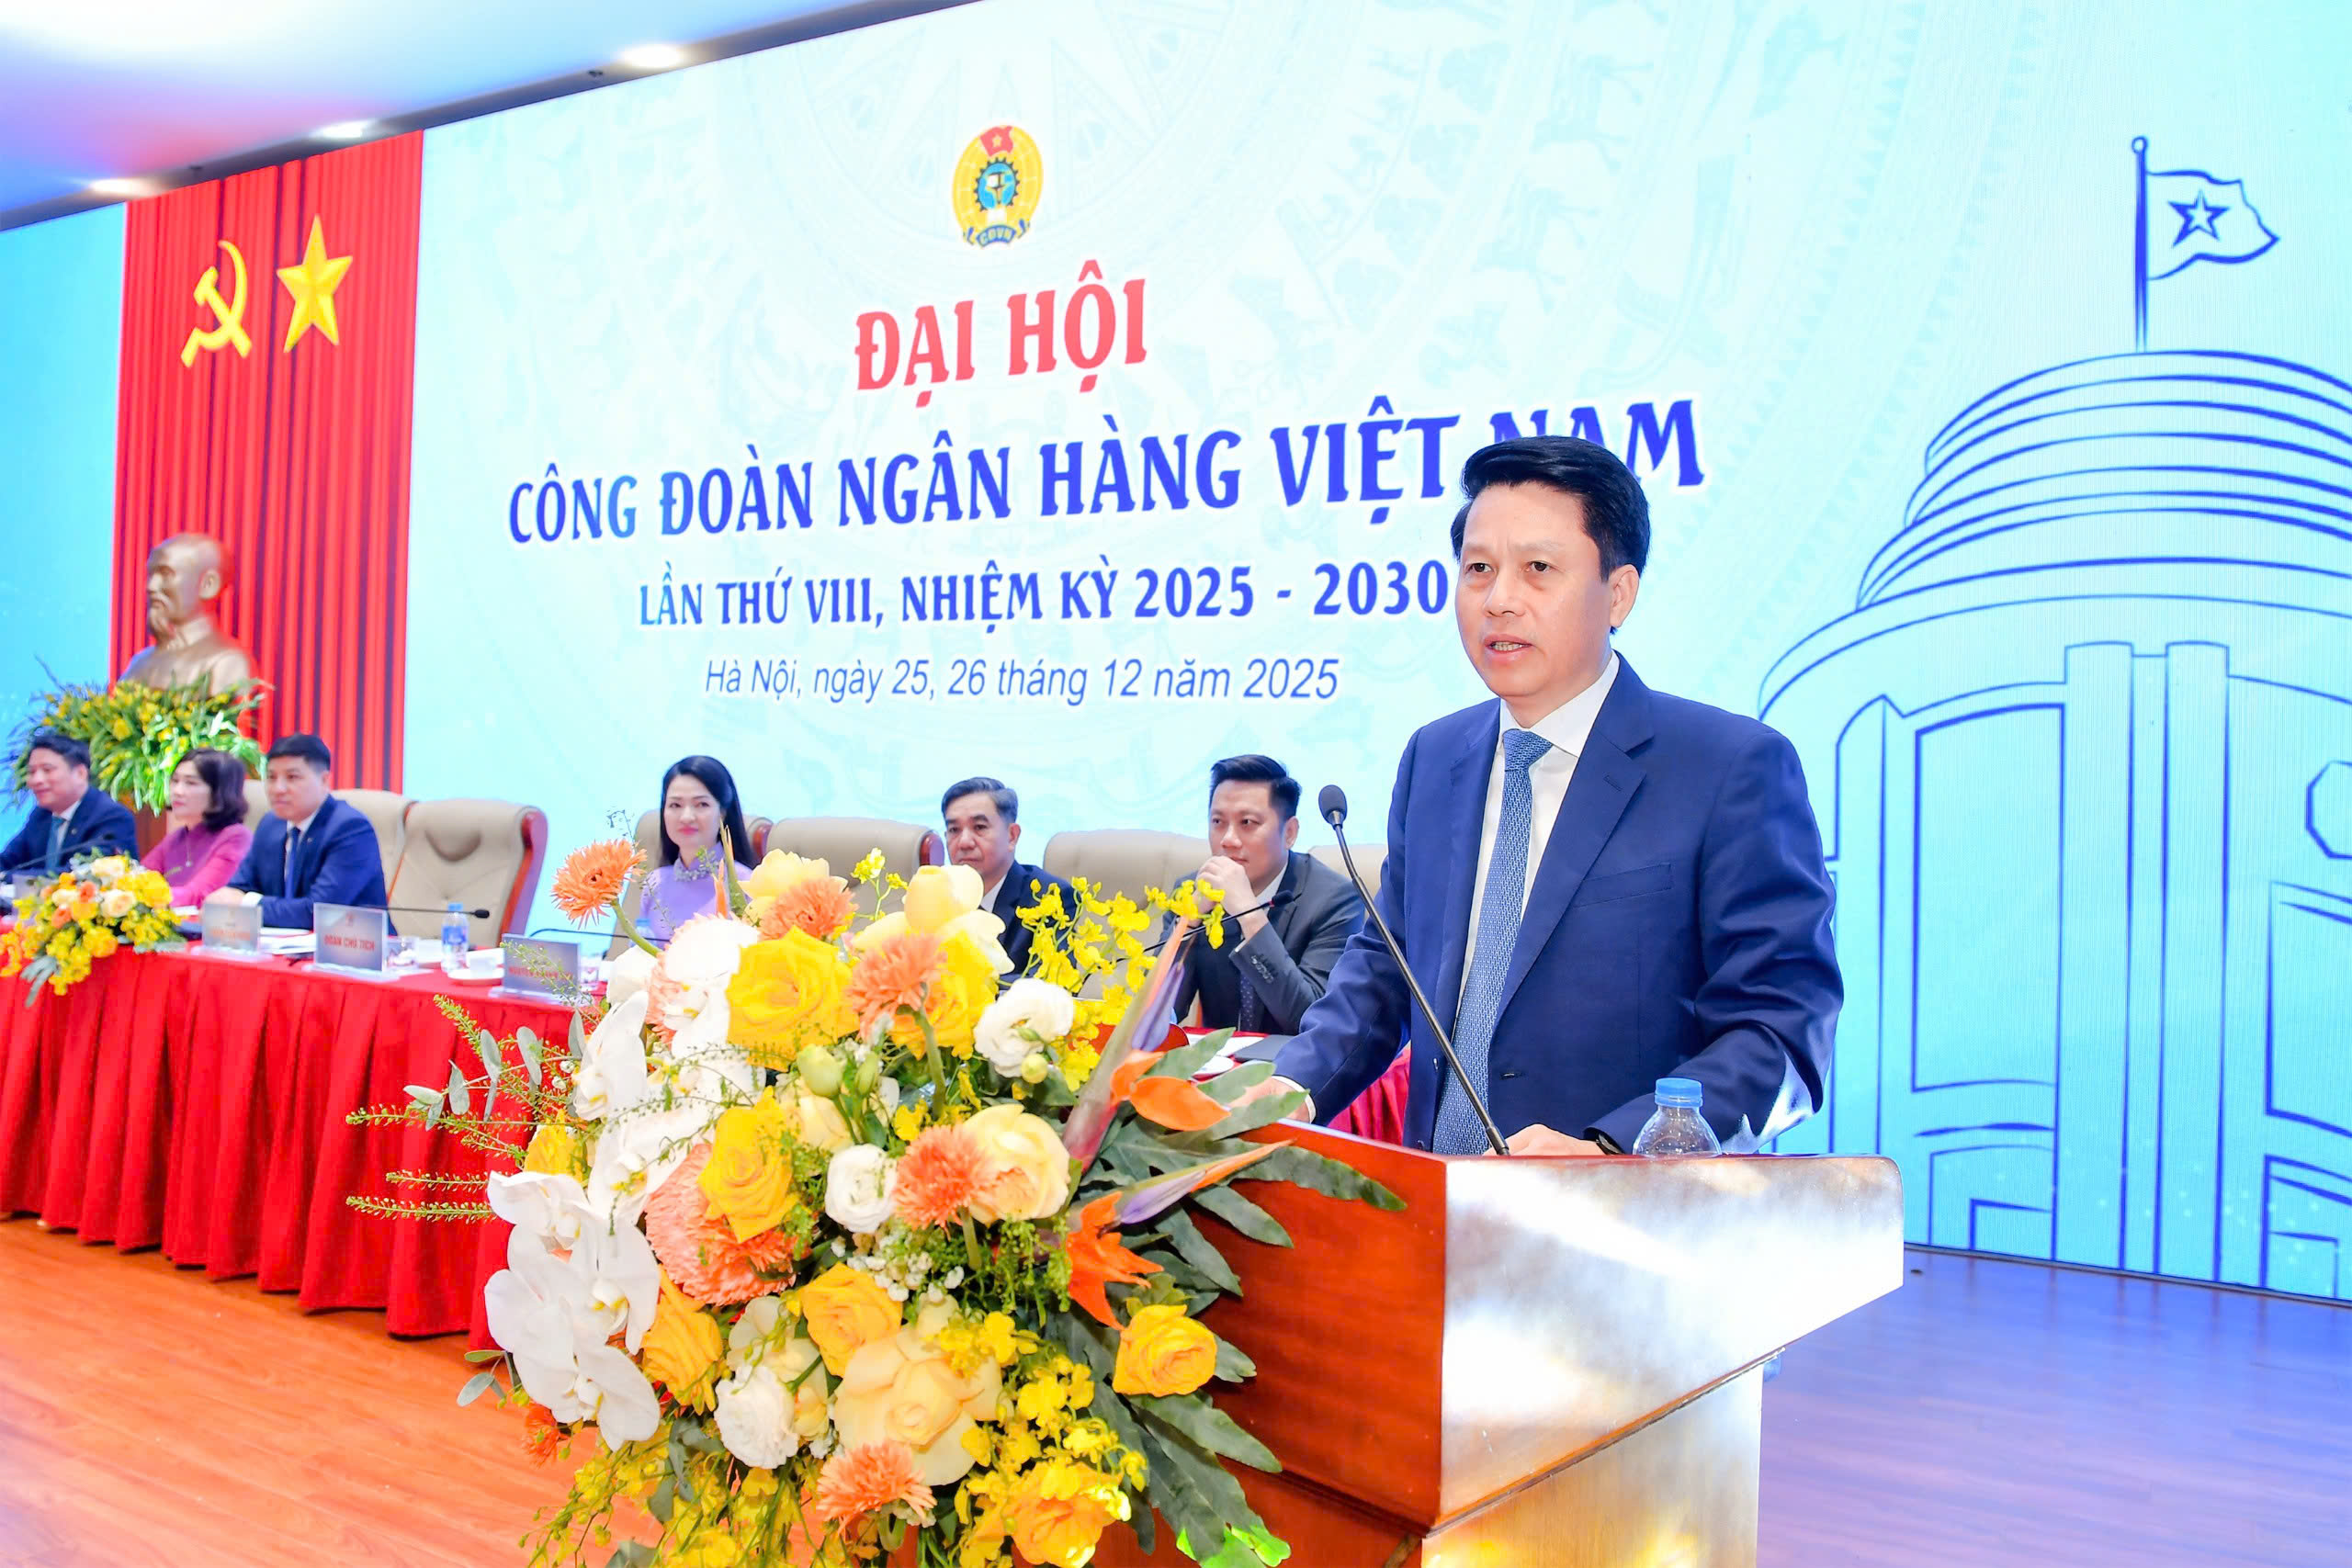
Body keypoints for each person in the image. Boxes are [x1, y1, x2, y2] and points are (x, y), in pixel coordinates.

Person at [1273, 435, 1839, 1156]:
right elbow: (1384, 973)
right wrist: (1281, 1091)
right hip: (1431, 1203)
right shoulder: (1434, 759)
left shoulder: (1729, 768)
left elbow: (1781, 1030)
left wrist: (1614, 1149)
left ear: (1619, 593)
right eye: (1479, 568)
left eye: (1538, 569)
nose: (1499, 600)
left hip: (1622, 1212)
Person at [1170, 754, 1364, 1035]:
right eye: (1218, 821)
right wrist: (1189, 922)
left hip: (1296, 1061)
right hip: (1216, 1060)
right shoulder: (1193, 890)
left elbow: (1310, 1021)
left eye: (1247, 822)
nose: (1228, 839)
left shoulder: (1335, 901)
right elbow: (1157, 1015)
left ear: (1290, 833)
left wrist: (1248, 914)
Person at [209, 734, 388, 927]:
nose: (278, 789)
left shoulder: (350, 828)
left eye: (292, 777)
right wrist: (227, 899)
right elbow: (238, 888)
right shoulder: (271, 824)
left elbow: (317, 912)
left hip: (351, 942)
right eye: (271, 777)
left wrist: (247, 904)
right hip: (278, 942)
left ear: (324, 780)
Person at [941, 775, 1072, 976]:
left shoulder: (1052, 898)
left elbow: (1048, 981)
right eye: (954, 830)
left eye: (979, 827)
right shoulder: (938, 898)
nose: (964, 842)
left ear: (1012, 836)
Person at [119, 533, 255, 694]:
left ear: (208, 585)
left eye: (166, 574)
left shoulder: (227, 663)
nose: (151, 586)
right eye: (150, 575)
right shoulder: (139, 664)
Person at [638, 755, 754, 942]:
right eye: (675, 805)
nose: (686, 817)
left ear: (722, 813)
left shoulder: (748, 885)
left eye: (701, 804)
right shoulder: (654, 883)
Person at [0, 731, 138, 876]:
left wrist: (8, 877)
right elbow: (7, 860)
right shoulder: (42, 815)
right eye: (32, 772)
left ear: (80, 774)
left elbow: (84, 874)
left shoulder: (112, 817)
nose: (36, 780)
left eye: (47, 770)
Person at [141, 748, 254, 905]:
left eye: (191, 783)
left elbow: (199, 895)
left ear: (219, 791)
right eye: (175, 781)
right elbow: (140, 877)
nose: (177, 791)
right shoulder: (178, 837)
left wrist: (141, 898)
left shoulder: (236, 838)